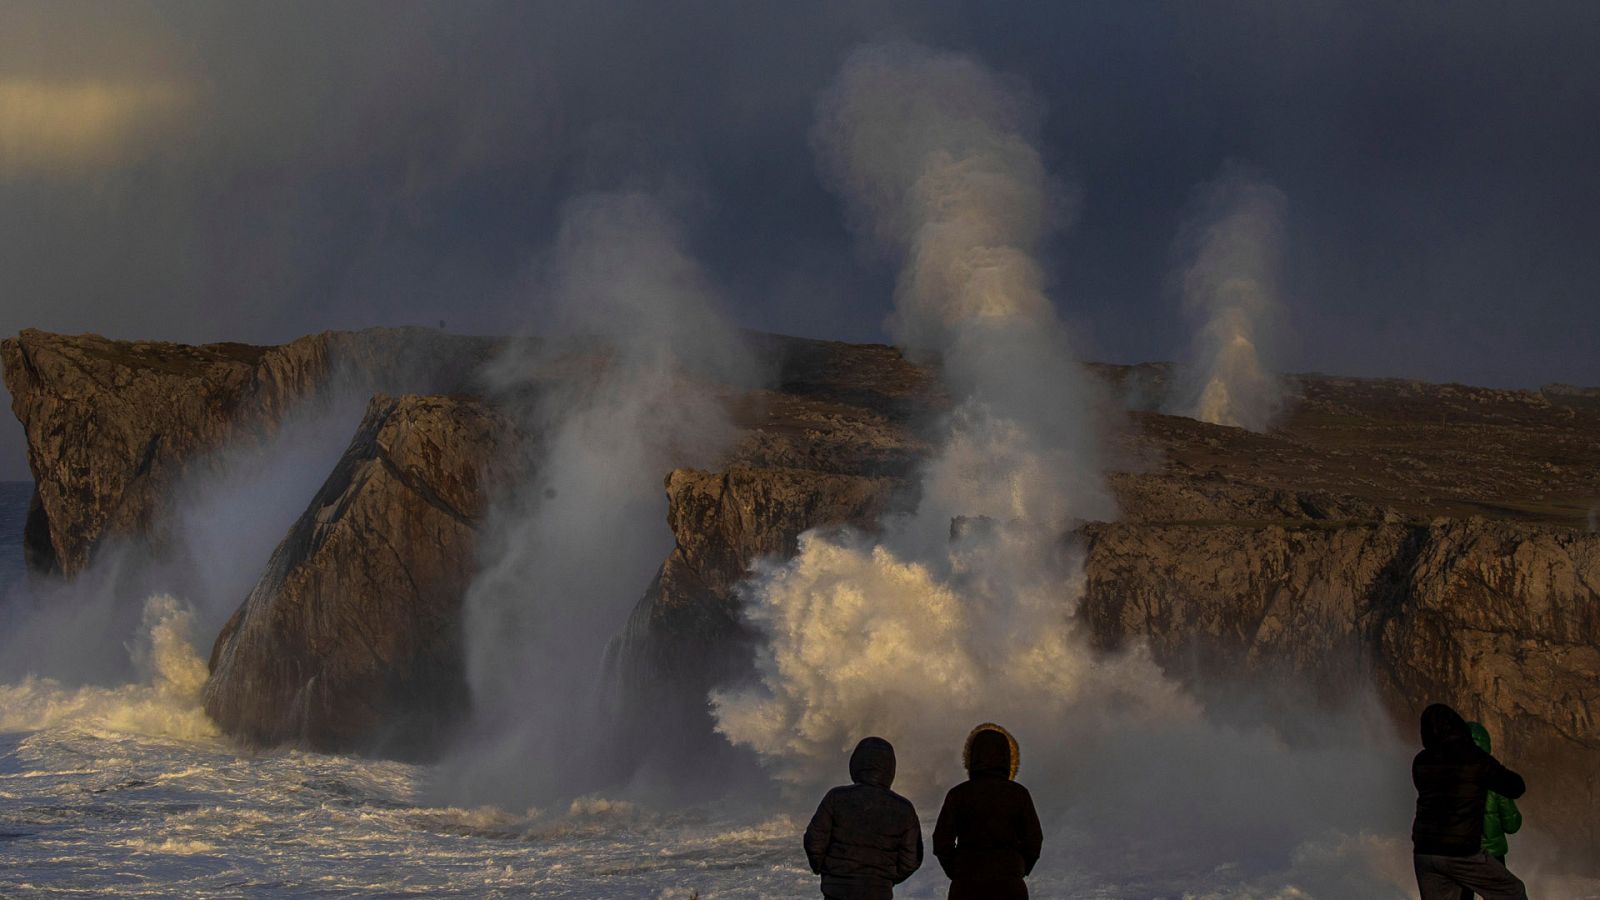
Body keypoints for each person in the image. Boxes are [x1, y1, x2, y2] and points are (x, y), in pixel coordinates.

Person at [1412, 703, 1528, 900]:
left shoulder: (1421, 760)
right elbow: (1516, 787)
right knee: (1512, 891)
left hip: (1425, 852)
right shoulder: (1474, 758)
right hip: (1460, 851)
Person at [932, 723, 1043, 900]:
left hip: (966, 886)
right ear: (1007, 757)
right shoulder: (1019, 794)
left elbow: (941, 842)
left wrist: (958, 870)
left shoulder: (958, 794)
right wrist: (1018, 867)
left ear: (971, 757)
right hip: (1010, 886)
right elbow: (1034, 840)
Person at [803, 736, 923, 900]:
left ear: (855, 765)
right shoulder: (904, 809)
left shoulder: (836, 797)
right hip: (878, 892)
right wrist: (885, 880)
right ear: (890, 770)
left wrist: (828, 871)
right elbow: (911, 859)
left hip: (836, 892)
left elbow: (814, 841)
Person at [1459, 721, 1524, 899]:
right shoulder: (1496, 782)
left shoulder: (1453, 779)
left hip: (1461, 854)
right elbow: (1512, 825)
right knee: (1502, 894)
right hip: (1493, 854)